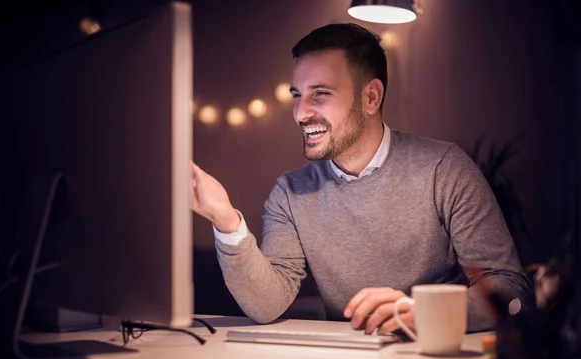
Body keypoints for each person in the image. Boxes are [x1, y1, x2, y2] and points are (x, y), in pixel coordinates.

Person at [191, 23, 533, 334]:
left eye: (320, 94)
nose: (300, 112)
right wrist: (226, 221)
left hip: (431, 356)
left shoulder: (444, 168)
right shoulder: (291, 192)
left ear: (371, 97)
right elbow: (267, 305)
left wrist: (422, 312)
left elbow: (511, 289)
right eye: (297, 95)